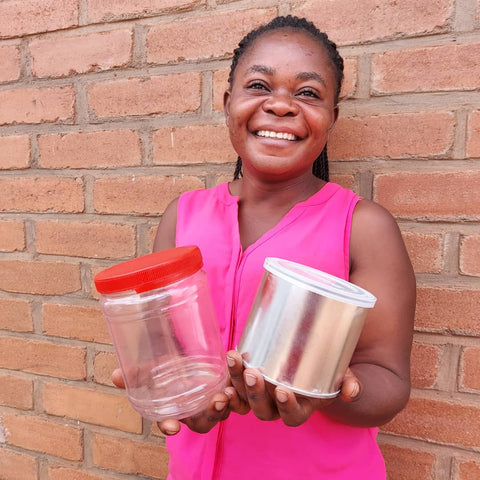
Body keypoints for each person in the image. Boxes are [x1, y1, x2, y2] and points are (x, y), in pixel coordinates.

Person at [112, 15, 416, 479]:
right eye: (259, 85)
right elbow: (167, 355)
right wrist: (168, 389)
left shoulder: (362, 227)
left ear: (332, 117)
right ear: (228, 101)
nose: (280, 105)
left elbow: (388, 381)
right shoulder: (184, 215)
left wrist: (324, 390)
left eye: (308, 93)